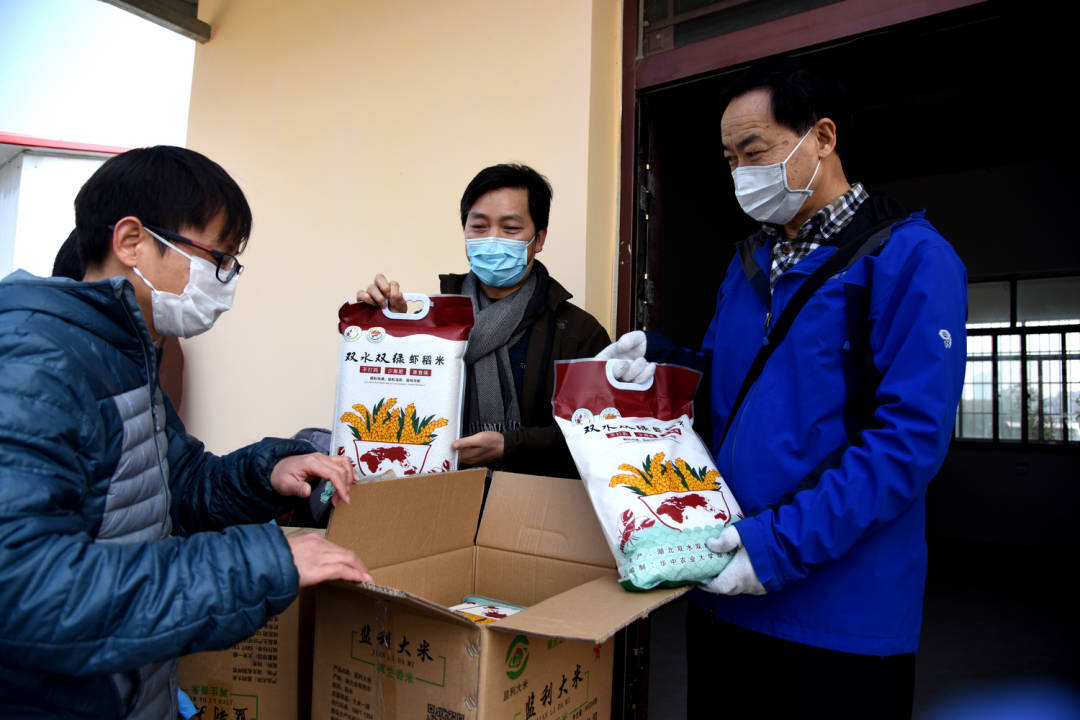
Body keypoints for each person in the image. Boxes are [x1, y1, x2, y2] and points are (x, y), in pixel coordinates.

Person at [600, 63, 967, 717]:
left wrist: (777, 546)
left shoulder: (911, 258)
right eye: (730, 159)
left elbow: (909, 441)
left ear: (821, 137)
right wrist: (659, 366)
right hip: (726, 585)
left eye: (754, 151)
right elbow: (730, 388)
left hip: (839, 617)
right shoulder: (747, 263)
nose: (741, 173)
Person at [0, 146, 372, 720]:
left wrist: (267, 473)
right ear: (132, 241)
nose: (226, 283)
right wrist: (259, 564)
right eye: (218, 259)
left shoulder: (124, 353)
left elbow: (174, 483)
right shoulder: (35, 363)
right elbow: (24, 586)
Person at [358, 163, 610, 478]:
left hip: (534, 500)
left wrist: (511, 445)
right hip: (439, 491)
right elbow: (395, 411)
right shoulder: (433, 322)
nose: (492, 240)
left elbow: (600, 434)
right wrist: (388, 329)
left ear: (539, 238)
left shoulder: (578, 333)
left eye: (510, 228)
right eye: (478, 226)